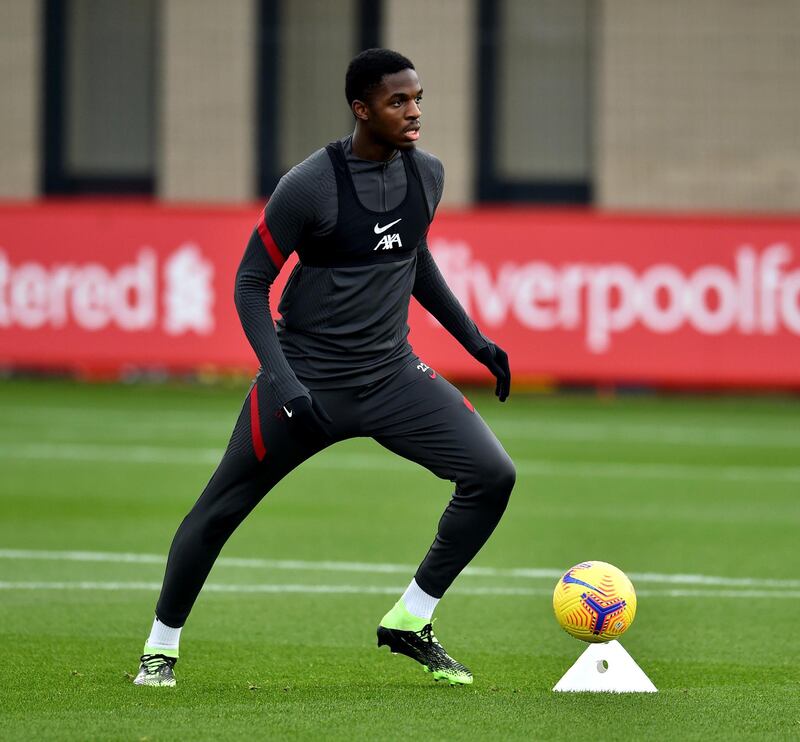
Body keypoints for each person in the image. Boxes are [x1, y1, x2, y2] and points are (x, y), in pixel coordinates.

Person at [134, 48, 515, 688]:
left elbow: (411, 258)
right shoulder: (309, 185)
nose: (414, 111)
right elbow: (250, 283)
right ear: (361, 109)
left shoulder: (429, 175)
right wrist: (282, 381)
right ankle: (159, 649)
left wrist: (474, 340)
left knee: (492, 476)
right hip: (305, 385)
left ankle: (410, 620)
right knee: (218, 511)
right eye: (398, 101)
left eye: (418, 97)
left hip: (394, 378)